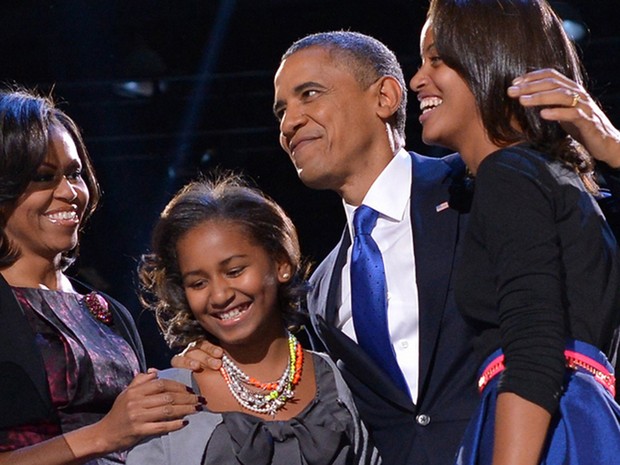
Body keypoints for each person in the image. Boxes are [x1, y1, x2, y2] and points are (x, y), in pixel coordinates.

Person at [173, 31, 620, 465]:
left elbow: (589, 241)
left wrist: (613, 149)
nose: (289, 123)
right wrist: (217, 361)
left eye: (309, 94)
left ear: (385, 97)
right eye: (281, 111)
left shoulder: (478, 187)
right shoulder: (323, 289)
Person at [409, 1, 620, 464]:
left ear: (490, 58)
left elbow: (533, 349)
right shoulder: (556, 177)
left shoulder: (508, 176)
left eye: (436, 60)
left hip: (546, 432)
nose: (416, 80)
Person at [0, 88, 203, 465]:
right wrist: (104, 435)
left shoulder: (106, 312)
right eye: (45, 177)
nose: (70, 192)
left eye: (75, 174)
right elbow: (115, 430)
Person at [128, 174, 379, 465]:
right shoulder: (168, 397)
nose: (219, 295)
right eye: (198, 283)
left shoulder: (341, 380)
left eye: (234, 271)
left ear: (281, 263)